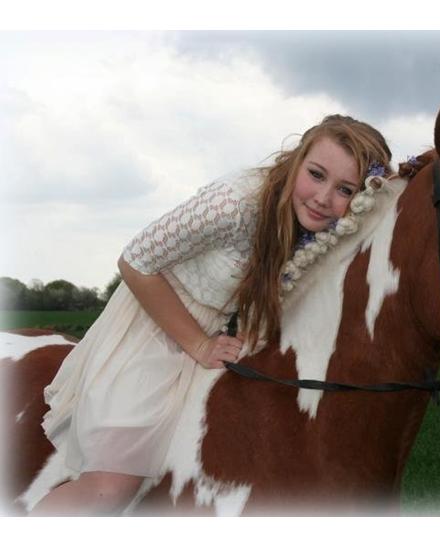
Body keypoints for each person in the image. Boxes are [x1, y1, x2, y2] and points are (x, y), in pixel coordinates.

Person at [31, 114, 393, 516]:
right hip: (156, 324)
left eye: (345, 189)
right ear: (297, 159)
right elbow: (134, 262)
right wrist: (199, 344)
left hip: (226, 334)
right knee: (111, 487)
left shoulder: (327, 227)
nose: (323, 198)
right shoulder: (233, 203)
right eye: (316, 174)